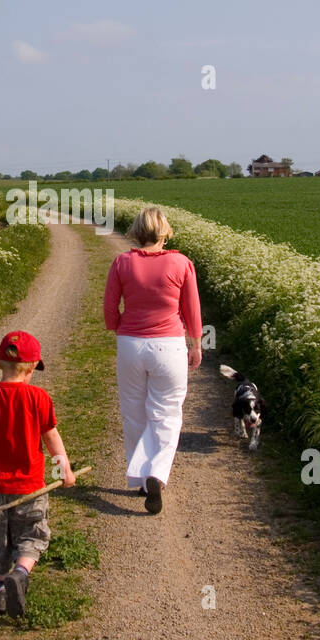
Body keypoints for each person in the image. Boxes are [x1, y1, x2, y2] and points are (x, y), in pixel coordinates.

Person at [0, 330, 75, 617]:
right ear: (32, 366)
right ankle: (21, 573)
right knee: (32, 535)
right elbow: (51, 438)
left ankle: (0, 589)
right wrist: (64, 470)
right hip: (31, 486)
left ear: (0, 363)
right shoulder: (38, 397)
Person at [103, 205, 202, 515]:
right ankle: (158, 472)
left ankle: (143, 482)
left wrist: (119, 327)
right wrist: (195, 344)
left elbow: (109, 308)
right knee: (167, 414)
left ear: (136, 231)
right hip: (169, 346)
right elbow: (192, 310)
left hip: (131, 344)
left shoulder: (122, 262)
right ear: (164, 231)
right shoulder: (181, 262)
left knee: (134, 413)